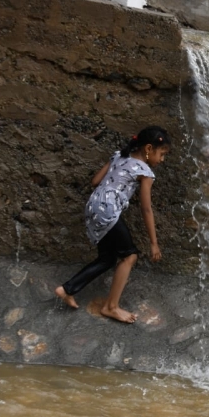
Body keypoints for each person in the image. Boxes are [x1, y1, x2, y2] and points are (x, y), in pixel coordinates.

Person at [55, 126, 170, 323]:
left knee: (107, 258)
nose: (162, 160)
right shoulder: (145, 171)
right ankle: (111, 307)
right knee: (129, 256)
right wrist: (153, 243)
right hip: (108, 212)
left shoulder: (119, 156)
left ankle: (67, 289)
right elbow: (146, 209)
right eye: (162, 154)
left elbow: (95, 181)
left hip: (93, 206)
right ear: (149, 149)